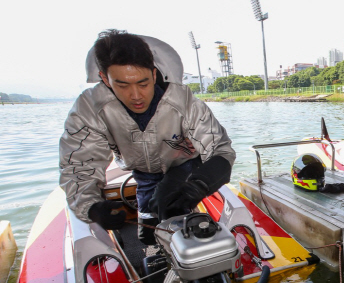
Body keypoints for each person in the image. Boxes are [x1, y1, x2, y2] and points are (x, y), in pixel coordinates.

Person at [59, 30, 236, 244]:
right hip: (142, 171)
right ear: (105, 79)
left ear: (154, 75)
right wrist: (92, 207)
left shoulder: (182, 100)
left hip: (184, 163)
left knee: (166, 203)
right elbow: (78, 166)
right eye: (122, 85)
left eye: (143, 84)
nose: (135, 96)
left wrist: (198, 185)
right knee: (147, 235)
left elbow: (221, 150)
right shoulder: (89, 107)